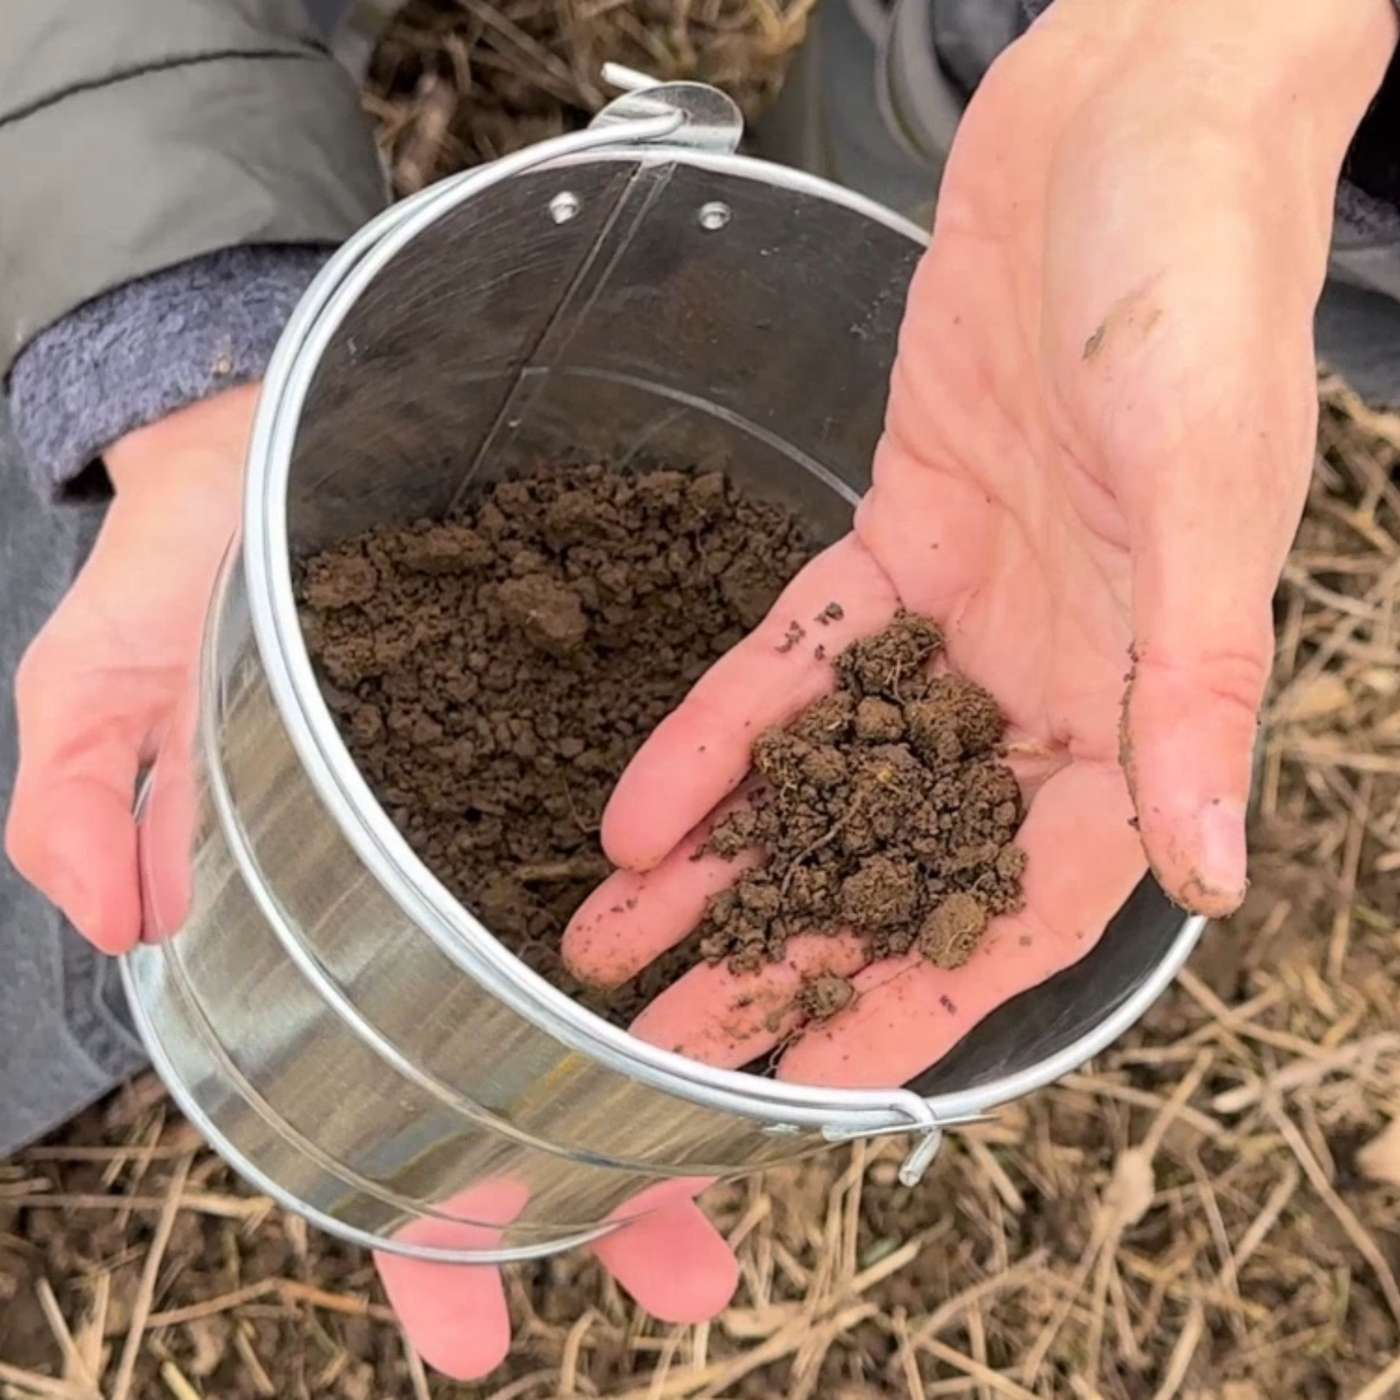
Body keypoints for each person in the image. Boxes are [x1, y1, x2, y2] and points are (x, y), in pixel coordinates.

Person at [1, 0, 1396, 1380]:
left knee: (883, 278)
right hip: (1042, 74)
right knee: (939, 192)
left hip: (1249, 181)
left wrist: (1249, 89)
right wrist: (186, 330)